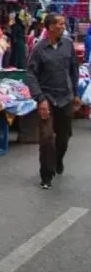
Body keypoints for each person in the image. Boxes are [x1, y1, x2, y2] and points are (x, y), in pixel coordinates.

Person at [26, 13, 80, 190]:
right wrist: (39, 98)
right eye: (59, 24)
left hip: (65, 97)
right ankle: (46, 175)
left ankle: (58, 160)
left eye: (63, 24)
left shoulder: (68, 45)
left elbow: (74, 69)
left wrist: (76, 94)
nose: (63, 27)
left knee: (64, 137)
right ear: (49, 27)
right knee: (47, 137)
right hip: (46, 98)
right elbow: (31, 74)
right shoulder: (39, 49)